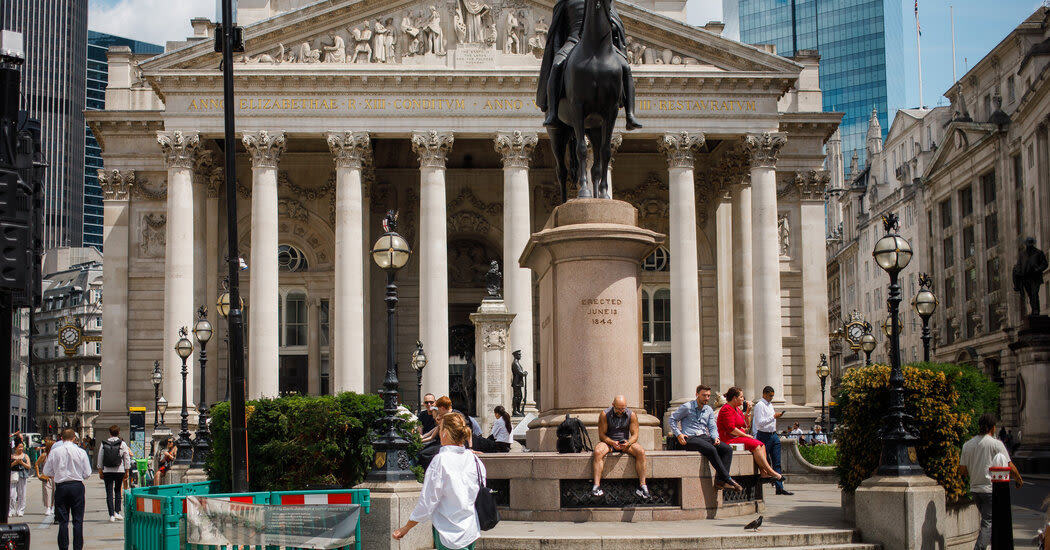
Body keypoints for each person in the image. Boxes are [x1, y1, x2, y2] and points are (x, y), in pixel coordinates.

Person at [393, 413, 484, 550]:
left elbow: (428, 500)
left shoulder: (440, 461)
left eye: (440, 428)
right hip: (470, 529)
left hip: (448, 531)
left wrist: (406, 527)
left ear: (445, 433)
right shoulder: (475, 460)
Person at [960, 413, 1023, 550]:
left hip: (975, 490)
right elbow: (1009, 466)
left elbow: (963, 471)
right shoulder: (996, 444)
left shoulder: (967, 445)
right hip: (990, 489)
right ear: (993, 428)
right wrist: (1018, 479)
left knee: (990, 522)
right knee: (988, 523)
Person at [670, 384, 742, 491]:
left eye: (708, 396)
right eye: (704, 395)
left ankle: (720, 481)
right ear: (697, 394)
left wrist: (715, 437)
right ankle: (728, 479)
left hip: (704, 437)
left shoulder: (708, 409)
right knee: (711, 449)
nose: (706, 398)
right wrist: (678, 434)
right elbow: (672, 419)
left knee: (727, 449)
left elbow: (712, 426)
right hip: (690, 438)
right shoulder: (687, 407)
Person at [717, 387, 784, 483]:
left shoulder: (736, 409)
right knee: (756, 446)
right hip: (729, 439)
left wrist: (748, 412)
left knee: (762, 445)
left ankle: (764, 473)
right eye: (741, 397)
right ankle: (770, 471)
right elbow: (731, 429)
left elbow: (746, 425)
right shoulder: (726, 409)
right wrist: (746, 436)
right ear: (734, 398)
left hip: (737, 437)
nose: (743, 399)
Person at [43, 428, 93, 550]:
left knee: (63, 521)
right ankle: (77, 547)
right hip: (77, 486)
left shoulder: (55, 452)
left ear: (61, 438)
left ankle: (63, 547)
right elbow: (87, 473)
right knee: (78, 520)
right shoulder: (81, 452)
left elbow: (46, 471)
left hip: (61, 487)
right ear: (74, 438)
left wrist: (58, 473)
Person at [591, 395, 649, 498]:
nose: (621, 411)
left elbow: (635, 435)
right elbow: (602, 435)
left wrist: (628, 443)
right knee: (598, 451)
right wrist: (612, 442)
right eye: (618, 409)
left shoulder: (632, 415)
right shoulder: (604, 414)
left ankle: (643, 486)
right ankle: (596, 485)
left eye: (623, 408)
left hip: (625, 443)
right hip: (609, 442)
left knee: (641, 452)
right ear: (613, 405)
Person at [751, 386, 791, 495]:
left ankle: (779, 487)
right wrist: (773, 417)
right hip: (764, 435)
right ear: (764, 394)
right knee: (763, 462)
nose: (771, 398)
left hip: (773, 435)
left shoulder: (770, 405)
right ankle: (757, 487)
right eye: (770, 396)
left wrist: (774, 417)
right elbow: (759, 423)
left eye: (772, 396)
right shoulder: (760, 405)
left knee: (777, 462)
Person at [97, 425, 132, 522]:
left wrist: (100, 470)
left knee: (109, 493)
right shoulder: (122, 444)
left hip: (107, 471)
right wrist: (127, 470)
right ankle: (117, 512)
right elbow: (126, 458)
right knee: (117, 491)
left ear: (110, 433)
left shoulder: (104, 443)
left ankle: (111, 514)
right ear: (118, 433)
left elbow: (100, 457)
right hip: (119, 470)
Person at [9, 441, 32, 516]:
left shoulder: (25, 456)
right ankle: (11, 510)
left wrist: (22, 463)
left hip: (22, 475)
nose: (21, 448)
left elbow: (29, 466)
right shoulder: (12, 456)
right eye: (19, 447)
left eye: (22, 447)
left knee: (22, 493)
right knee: (12, 494)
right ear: (15, 448)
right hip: (13, 475)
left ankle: (20, 510)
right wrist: (15, 463)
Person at [36, 439, 55, 516]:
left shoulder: (56, 455)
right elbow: (37, 464)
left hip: (55, 477)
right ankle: (48, 507)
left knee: (54, 492)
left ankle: (52, 506)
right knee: (47, 492)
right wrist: (38, 474)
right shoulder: (44, 455)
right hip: (46, 477)